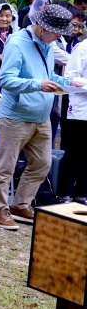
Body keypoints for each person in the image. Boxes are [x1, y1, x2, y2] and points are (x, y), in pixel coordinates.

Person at [0, 4, 83, 231]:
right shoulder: (17, 43)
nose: (59, 36)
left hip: (41, 115)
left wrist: (67, 82)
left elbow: (46, 74)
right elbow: (6, 80)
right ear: (41, 26)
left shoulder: (48, 43)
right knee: (6, 165)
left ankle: (20, 204)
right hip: (16, 115)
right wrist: (37, 84)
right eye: (55, 31)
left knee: (42, 163)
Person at [61, 38, 87, 204]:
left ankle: (82, 194)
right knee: (74, 155)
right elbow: (71, 76)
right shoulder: (83, 47)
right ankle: (64, 194)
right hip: (81, 110)